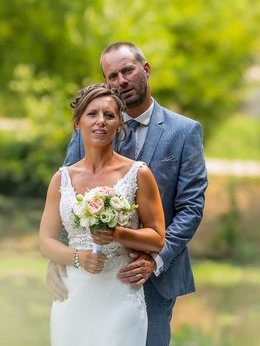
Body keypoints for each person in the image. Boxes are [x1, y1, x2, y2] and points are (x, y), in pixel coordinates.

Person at [48, 42, 208, 346]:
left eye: (128, 71)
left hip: (151, 278)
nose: (121, 81)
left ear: (145, 70)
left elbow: (191, 207)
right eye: (112, 76)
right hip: (87, 279)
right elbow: (65, 199)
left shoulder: (184, 132)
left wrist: (154, 260)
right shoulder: (89, 129)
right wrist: (59, 257)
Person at [39, 83, 166, 346]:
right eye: (92, 114)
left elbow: (157, 238)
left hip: (120, 295)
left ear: (120, 125)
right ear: (78, 123)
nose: (101, 122)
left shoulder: (138, 173)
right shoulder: (61, 179)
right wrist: (77, 257)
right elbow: (46, 242)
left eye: (109, 116)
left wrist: (118, 233)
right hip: (72, 295)